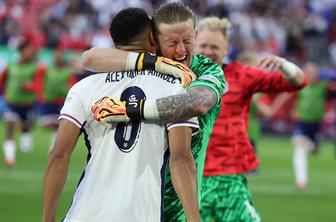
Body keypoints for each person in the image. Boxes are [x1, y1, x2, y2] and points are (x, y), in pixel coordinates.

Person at [42, 8, 200, 222]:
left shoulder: (85, 87)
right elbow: (181, 158)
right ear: (152, 36)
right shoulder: (176, 88)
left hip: (82, 214)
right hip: (141, 215)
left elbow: (58, 155)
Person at [82, 2, 227, 221]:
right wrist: (157, 64)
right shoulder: (146, 64)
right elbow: (89, 58)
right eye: (172, 42)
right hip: (132, 206)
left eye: (187, 41)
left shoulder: (207, 69)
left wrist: (133, 109)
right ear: (155, 40)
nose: (181, 50)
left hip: (178, 209)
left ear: (195, 35)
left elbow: (198, 102)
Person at [194, 16, 307, 221]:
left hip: (229, 177)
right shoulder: (181, 76)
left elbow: (298, 82)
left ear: (226, 48)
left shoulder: (242, 76)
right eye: (203, 45)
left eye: (215, 46)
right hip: (191, 178)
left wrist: (283, 64)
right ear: (194, 44)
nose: (208, 51)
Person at [0, 40, 45, 167]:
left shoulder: (36, 68)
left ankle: (26, 136)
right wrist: (5, 93)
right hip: (12, 103)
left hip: (28, 105)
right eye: (28, 50)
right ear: (21, 52)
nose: (30, 53)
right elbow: (2, 80)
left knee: (26, 129)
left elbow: (39, 85)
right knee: (9, 126)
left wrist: (28, 87)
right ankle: (10, 158)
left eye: (31, 51)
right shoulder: (10, 66)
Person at [291, 62, 329, 190]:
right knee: (299, 146)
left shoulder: (324, 86)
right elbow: (287, 96)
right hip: (302, 122)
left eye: (312, 72)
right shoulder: (300, 86)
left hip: (316, 124)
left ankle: (313, 145)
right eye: (307, 72)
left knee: (314, 151)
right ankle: (301, 181)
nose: (310, 74)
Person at [35, 48, 77, 150]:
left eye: (60, 56)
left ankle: (53, 148)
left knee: (58, 127)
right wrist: (41, 96)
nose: (58, 58)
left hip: (61, 103)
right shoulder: (46, 69)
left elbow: (73, 85)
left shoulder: (67, 72)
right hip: (48, 102)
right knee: (47, 124)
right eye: (56, 56)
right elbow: (39, 82)